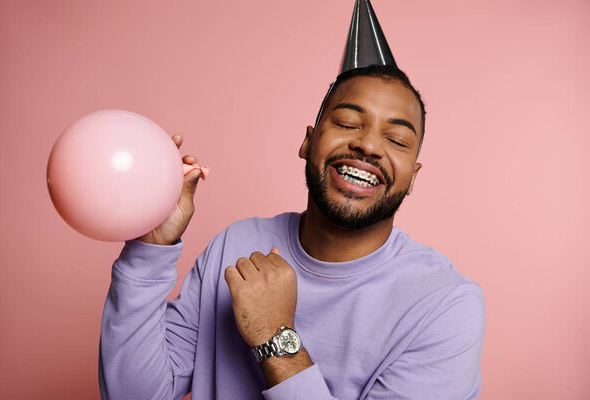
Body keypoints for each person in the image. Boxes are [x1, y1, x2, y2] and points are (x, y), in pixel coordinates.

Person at [99, 3, 485, 399]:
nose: (368, 144)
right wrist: (151, 248)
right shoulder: (235, 246)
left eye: (397, 139)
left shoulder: (445, 304)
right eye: (347, 123)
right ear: (308, 142)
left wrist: (275, 337)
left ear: (412, 177)